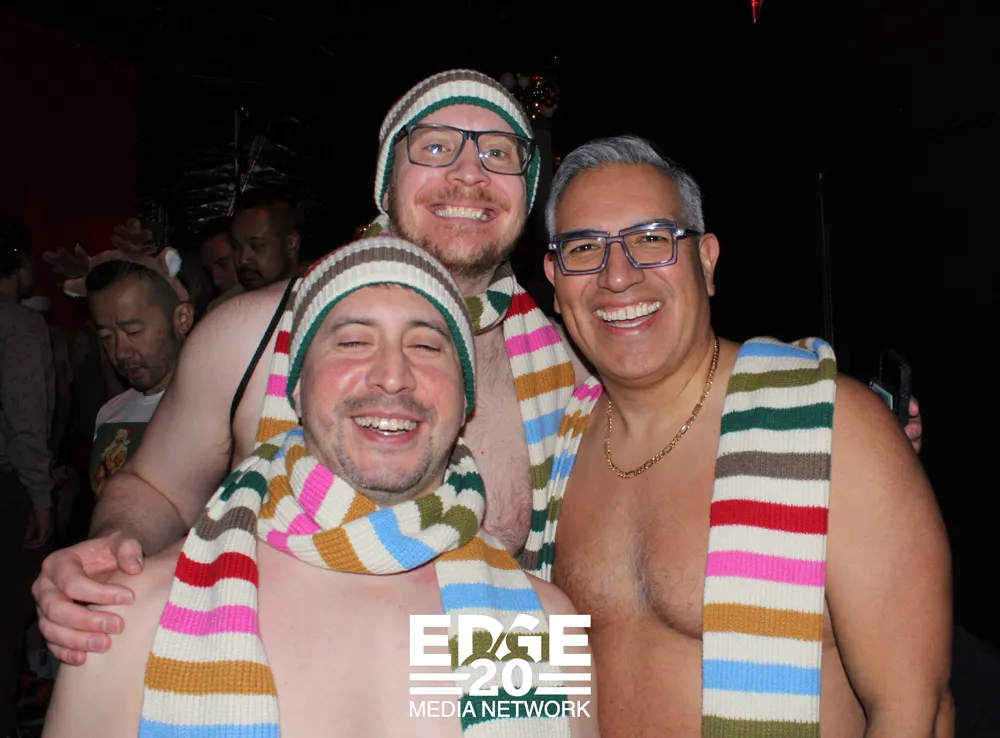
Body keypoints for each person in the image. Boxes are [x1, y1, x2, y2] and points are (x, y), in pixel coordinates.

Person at [32, 69, 920, 668]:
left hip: (487, 694)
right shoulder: (253, 333)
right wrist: (107, 554)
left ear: (523, 197)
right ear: (385, 182)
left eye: (497, 152)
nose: (468, 171)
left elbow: (687, 406)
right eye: (435, 146)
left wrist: (819, 422)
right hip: (275, 691)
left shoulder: (574, 357)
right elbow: (152, 488)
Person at [42, 238, 597, 738]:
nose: (392, 375)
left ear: (465, 399)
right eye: (352, 341)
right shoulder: (132, 618)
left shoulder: (533, 628)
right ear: (297, 389)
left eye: (427, 347)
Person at [520, 136, 952, 736]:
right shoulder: (553, 450)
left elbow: (914, 711)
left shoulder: (833, 427)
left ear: (706, 261)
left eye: (652, 239)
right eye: (585, 248)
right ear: (555, 278)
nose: (618, 275)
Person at [0, 216, 56, 736]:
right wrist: (41, 497)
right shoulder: (18, 325)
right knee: (8, 618)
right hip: (8, 487)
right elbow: (25, 421)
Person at [85, 258, 194, 495]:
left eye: (133, 332)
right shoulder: (109, 416)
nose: (119, 352)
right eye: (106, 337)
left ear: (182, 319)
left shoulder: (214, 412)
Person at [230, 187, 302, 291]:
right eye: (235, 247)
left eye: (256, 246)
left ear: (291, 244)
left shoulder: (320, 295)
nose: (242, 259)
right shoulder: (230, 300)